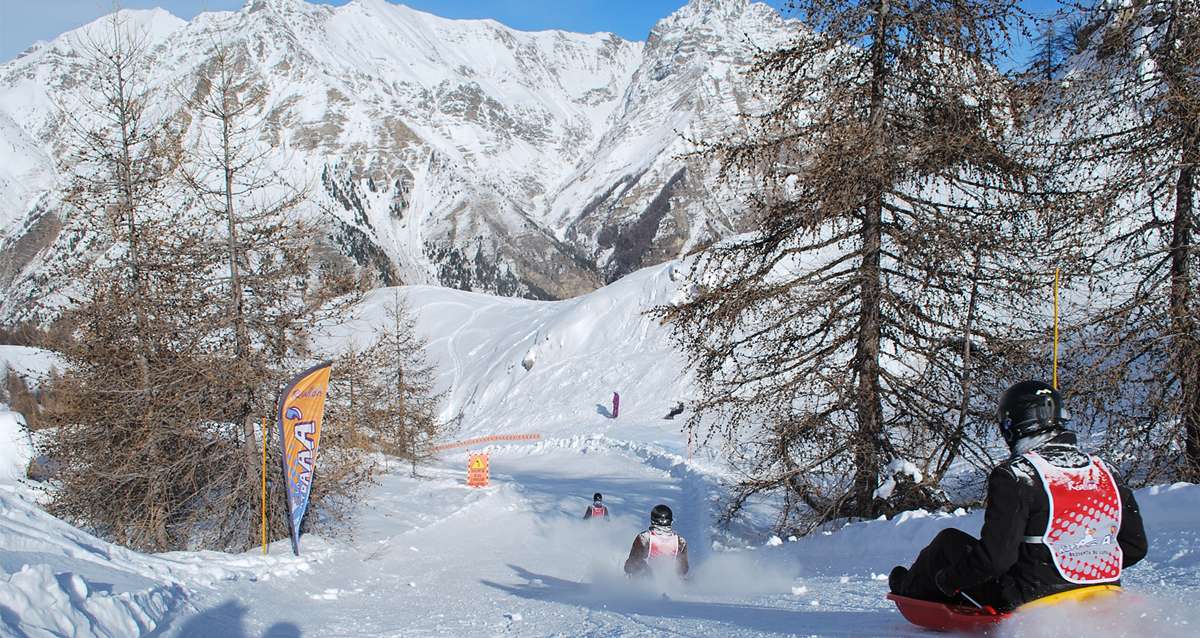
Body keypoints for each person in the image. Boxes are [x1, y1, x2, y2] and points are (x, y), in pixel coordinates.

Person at [889, 380, 1148, 611]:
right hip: (1101, 592)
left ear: (1012, 426)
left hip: (1032, 598)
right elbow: (1135, 548)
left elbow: (996, 559)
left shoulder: (1018, 475)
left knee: (948, 542)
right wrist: (1084, 565)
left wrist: (949, 579)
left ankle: (910, 588)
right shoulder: (1105, 471)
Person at [624, 504, 689, 578]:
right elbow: (684, 569)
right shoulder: (680, 541)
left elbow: (631, 565)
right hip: (671, 583)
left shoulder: (644, 538)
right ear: (671, 521)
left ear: (652, 520)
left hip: (644, 583)